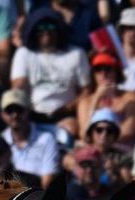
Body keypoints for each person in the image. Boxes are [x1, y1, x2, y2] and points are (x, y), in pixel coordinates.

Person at [11, 8, 90, 137]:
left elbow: (86, 91)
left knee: (69, 131)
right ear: (34, 30)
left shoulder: (77, 53)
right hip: (32, 115)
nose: (46, 31)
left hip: (65, 114)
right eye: (41, 27)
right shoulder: (24, 53)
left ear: (59, 29)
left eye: (51, 26)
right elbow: (18, 87)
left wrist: (70, 107)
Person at [0, 89, 60, 188]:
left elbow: (48, 181)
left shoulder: (46, 139)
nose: (15, 115)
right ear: (2, 114)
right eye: (9, 110)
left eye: (19, 109)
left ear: (29, 110)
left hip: (35, 195)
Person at [77, 51, 135, 142]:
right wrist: (96, 99)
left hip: (121, 147)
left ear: (116, 72)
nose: (103, 74)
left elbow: (129, 131)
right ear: (93, 75)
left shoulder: (130, 97)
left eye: (107, 69)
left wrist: (104, 142)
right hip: (94, 148)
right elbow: (84, 134)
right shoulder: (85, 101)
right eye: (98, 69)